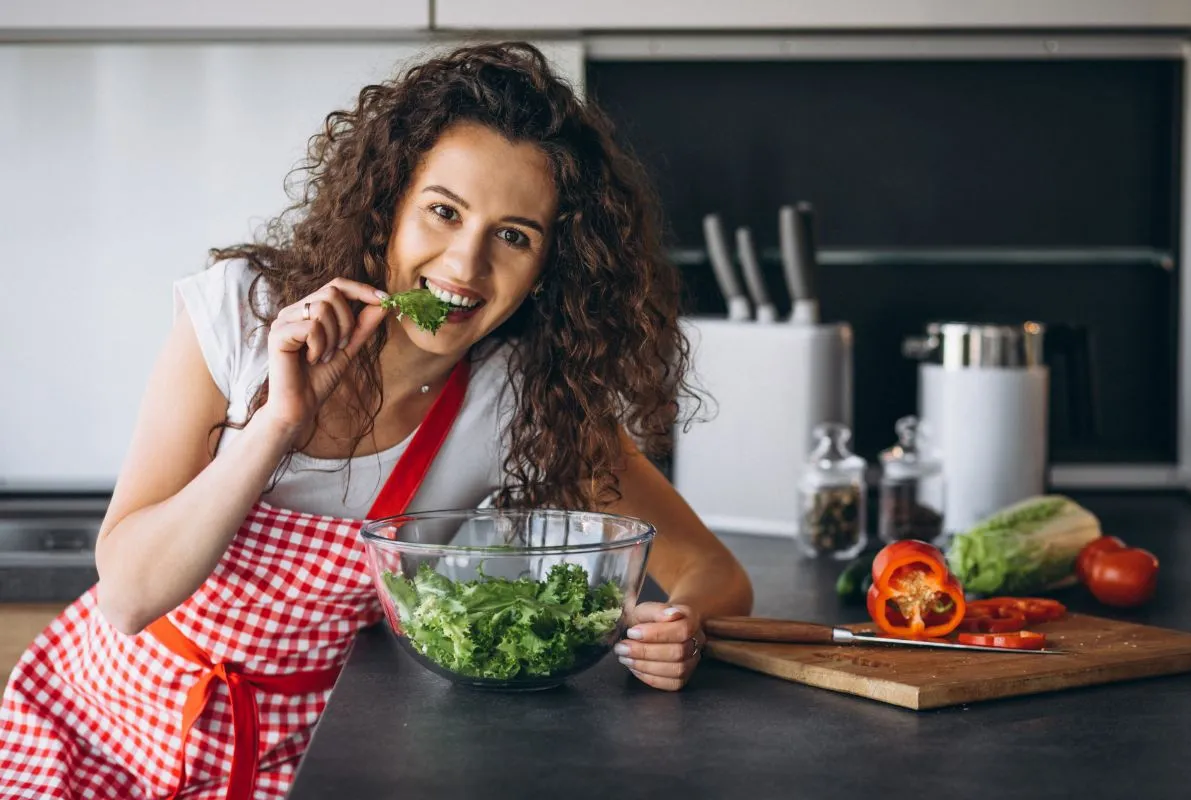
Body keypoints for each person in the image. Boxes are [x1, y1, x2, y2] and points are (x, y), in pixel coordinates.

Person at [0, 41, 753, 798]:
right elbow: (129, 595)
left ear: (551, 268)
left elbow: (711, 573)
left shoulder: (519, 398)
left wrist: (681, 629)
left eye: (514, 235)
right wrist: (275, 426)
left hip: (305, 755)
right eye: (443, 212)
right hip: (100, 730)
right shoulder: (241, 312)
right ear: (389, 201)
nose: (465, 265)